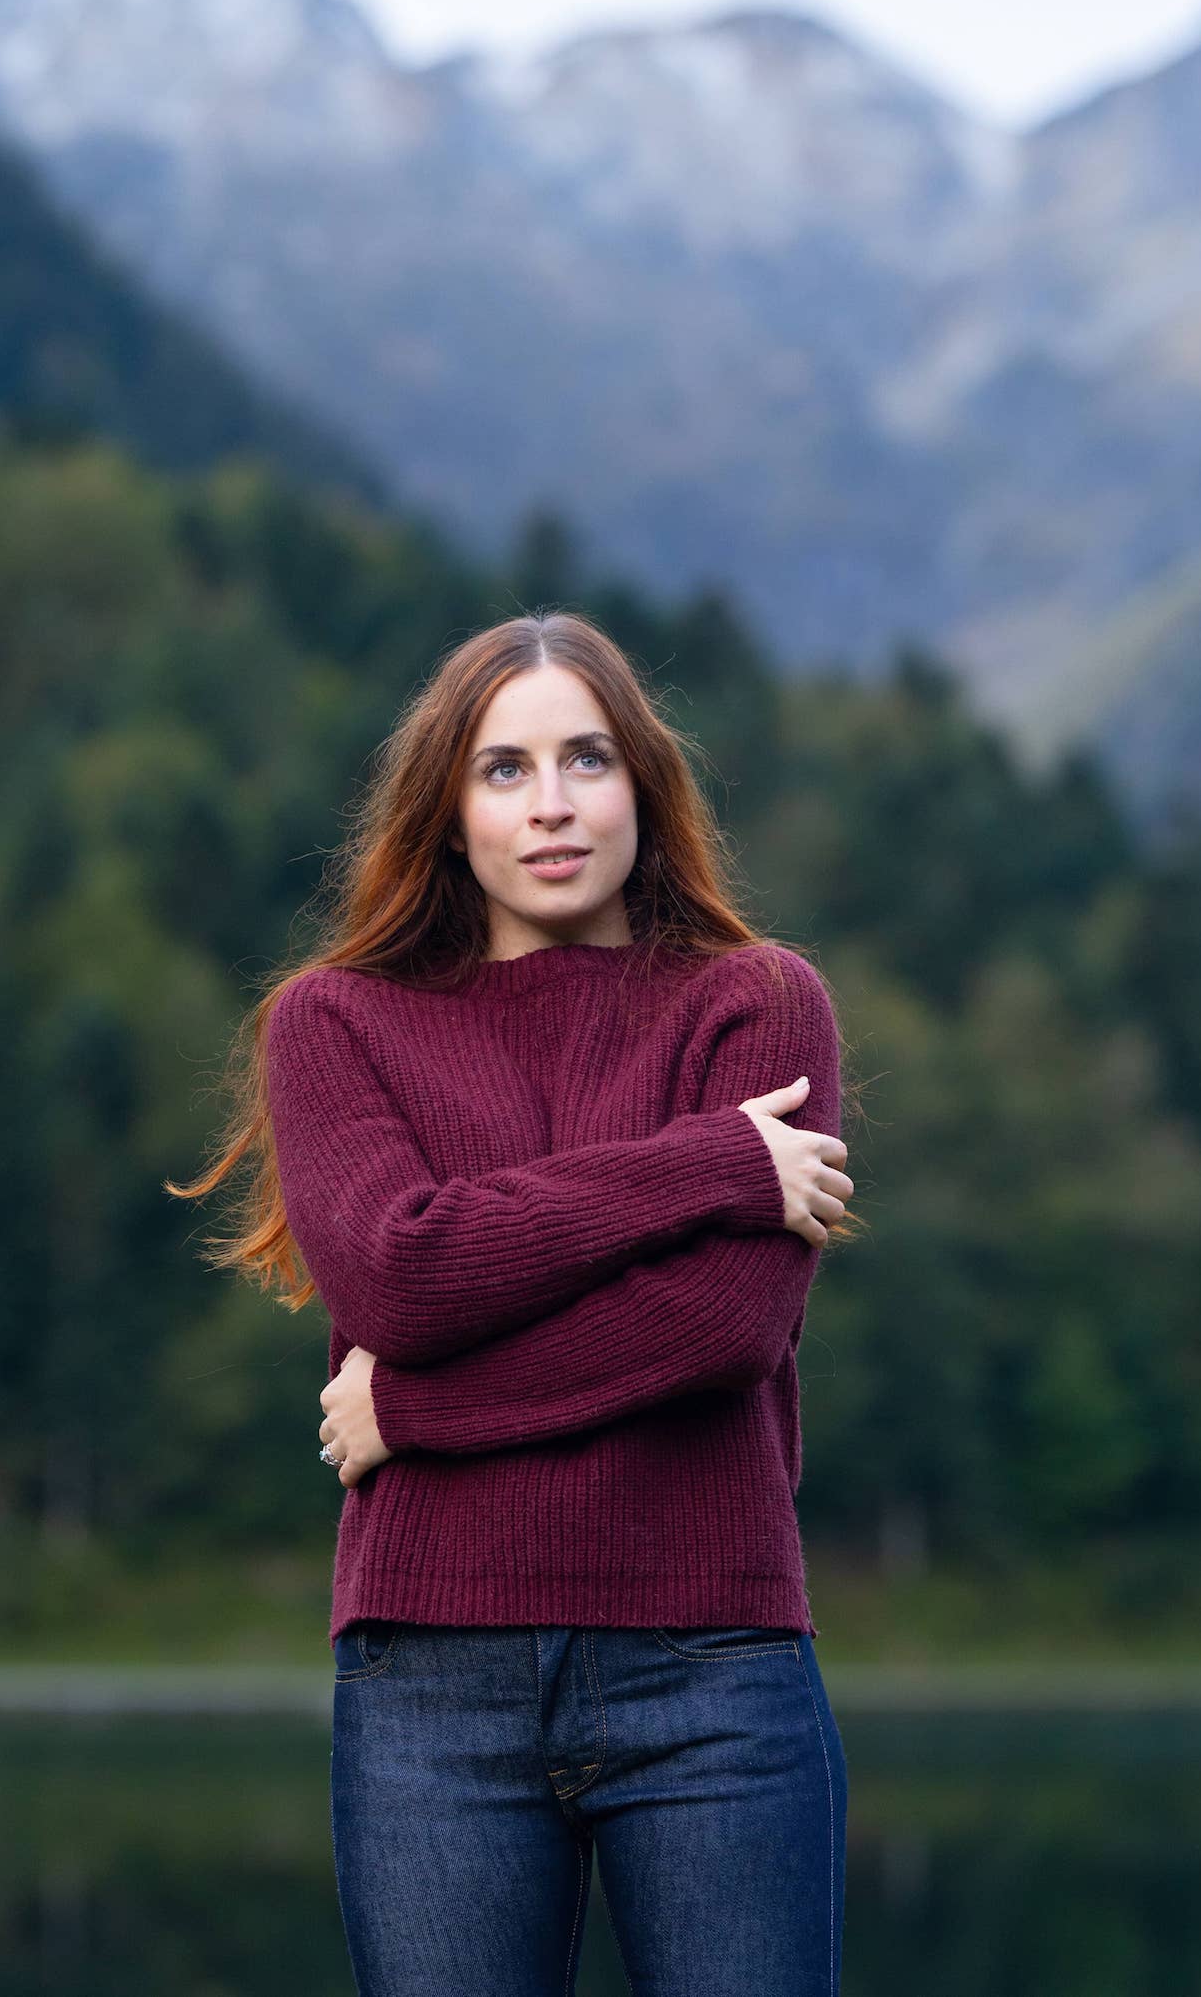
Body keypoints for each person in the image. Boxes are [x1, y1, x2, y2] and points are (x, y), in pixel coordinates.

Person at [171, 609, 862, 1996]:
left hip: (713, 1666)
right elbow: (400, 1273)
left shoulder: (760, 1004)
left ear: (644, 788)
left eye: (586, 759)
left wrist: (412, 1405)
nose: (550, 804)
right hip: (433, 1683)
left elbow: (723, 1327)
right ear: (447, 810)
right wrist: (709, 1158)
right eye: (504, 769)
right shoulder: (335, 1021)